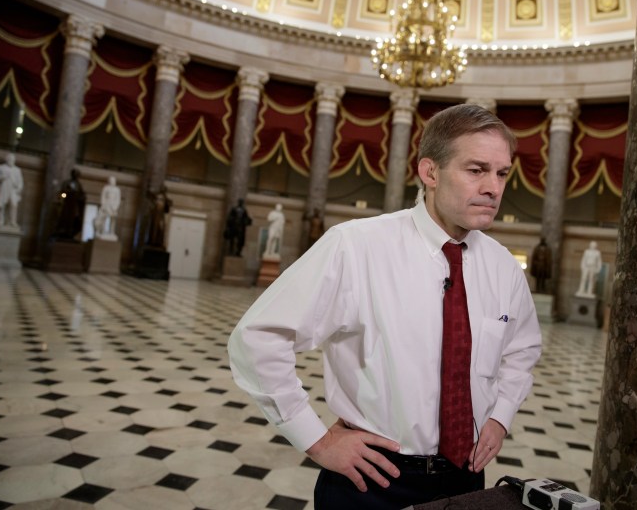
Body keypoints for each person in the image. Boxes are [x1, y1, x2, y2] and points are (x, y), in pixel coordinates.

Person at [228, 104, 542, 510]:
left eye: (502, 173)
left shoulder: (503, 266)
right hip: (375, 477)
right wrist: (316, 441)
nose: (493, 188)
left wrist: (500, 416)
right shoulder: (356, 246)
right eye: (476, 170)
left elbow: (522, 351)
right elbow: (258, 338)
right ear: (430, 173)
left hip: (467, 476)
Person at [0, 153, 23, 229]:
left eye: (13, 159)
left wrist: (19, 188)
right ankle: (0, 221)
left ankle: (12, 221)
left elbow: (20, 181)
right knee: (1, 205)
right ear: (7, 160)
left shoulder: (17, 170)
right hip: (4, 188)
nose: (11, 161)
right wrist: (2, 177)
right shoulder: (1, 167)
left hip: (13, 190)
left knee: (13, 205)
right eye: (10, 159)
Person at [53, 169, 87, 240]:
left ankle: (70, 233)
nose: (76, 176)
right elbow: (62, 193)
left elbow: (81, 195)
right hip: (67, 205)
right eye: (75, 174)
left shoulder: (78, 185)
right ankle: (63, 231)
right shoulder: (67, 182)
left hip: (74, 206)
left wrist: (81, 197)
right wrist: (66, 195)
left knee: (75, 220)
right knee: (64, 218)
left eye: (77, 175)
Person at [93, 176, 121, 241]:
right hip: (106, 204)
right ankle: (103, 231)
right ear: (109, 181)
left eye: (113, 180)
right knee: (103, 218)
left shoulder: (117, 189)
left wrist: (115, 206)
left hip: (114, 206)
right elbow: (103, 197)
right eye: (111, 180)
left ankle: (112, 232)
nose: (112, 182)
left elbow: (118, 199)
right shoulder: (106, 188)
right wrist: (103, 204)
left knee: (113, 220)